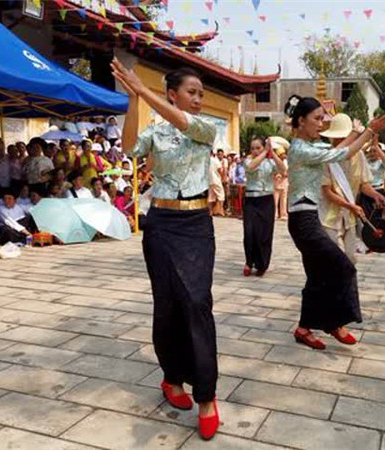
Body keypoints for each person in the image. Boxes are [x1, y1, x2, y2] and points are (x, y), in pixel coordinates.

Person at [112, 59, 220, 439]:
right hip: (160, 223)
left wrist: (144, 91)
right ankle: (172, 377)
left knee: (197, 302)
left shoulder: (206, 128)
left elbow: (185, 123)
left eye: (201, 94)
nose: (199, 99)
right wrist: (133, 99)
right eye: (192, 93)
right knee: (168, 303)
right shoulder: (155, 132)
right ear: (173, 94)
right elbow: (129, 148)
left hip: (196, 224)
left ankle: (206, 396)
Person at [284, 94, 385, 351]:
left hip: (309, 217)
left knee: (318, 275)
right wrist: (368, 131)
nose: (321, 123)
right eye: (317, 118)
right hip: (304, 221)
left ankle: (304, 328)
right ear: (301, 120)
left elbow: (339, 151)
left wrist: (359, 133)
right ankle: (335, 322)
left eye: (323, 118)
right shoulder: (300, 149)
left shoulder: (310, 147)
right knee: (343, 268)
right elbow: (342, 152)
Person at [319, 114, 385, 262]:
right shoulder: (326, 158)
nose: (339, 141)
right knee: (335, 257)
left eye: (343, 137)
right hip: (329, 217)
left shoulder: (359, 156)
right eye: (337, 138)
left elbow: (364, 184)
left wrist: (376, 195)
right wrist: (350, 205)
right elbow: (327, 191)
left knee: (350, 258)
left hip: (349, 217)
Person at [242, 136, 286, 277]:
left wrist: (273, 153)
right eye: (253, 148)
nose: (255, 151)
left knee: (265, 233)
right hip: (251, 200)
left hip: (266, 200)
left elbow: (283, 170)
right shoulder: (248, 160)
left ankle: (262, 264)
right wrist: (264, 153)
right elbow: (251, 167)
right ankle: (249, 262)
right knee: (249, 232)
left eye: (258, 148)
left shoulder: (270, 163)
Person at [271, 138, 290, 220]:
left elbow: (288, 172)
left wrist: (283, 175)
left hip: (284, 182)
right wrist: (276, 174)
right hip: (276, 182)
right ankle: (274, 214)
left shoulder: (286, 162)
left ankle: (283, 214)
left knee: (284, 199)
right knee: (275, 199)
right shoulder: (274, 162)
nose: (283, 156)